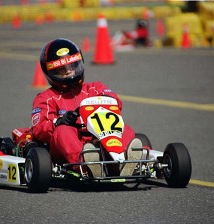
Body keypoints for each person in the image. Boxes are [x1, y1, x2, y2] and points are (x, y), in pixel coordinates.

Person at [30, 38, 142, 176]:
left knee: (124, 128)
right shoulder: (46, 98)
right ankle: (87, 163)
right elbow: (39, 128)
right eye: (61, 69)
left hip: (100, 138)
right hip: (66, 148)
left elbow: (116, 102)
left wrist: (107, 102)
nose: (69, 72)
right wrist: (58, 122)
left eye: (72, 66)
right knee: (63, 131)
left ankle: (127, 160)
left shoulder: (95, 88)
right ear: (50, 73)